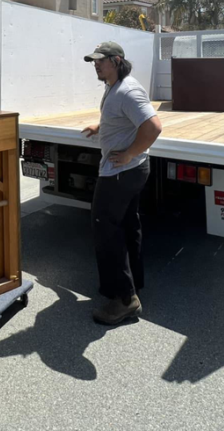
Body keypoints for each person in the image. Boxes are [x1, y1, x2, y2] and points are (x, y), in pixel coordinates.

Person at [81, 41, 162, 325]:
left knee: (105, 229)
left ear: (116, 60)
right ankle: (130, 284)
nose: (96, 64)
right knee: (127, 225)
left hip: (121, 172)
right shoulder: (115, 87)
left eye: (100, 60)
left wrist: (128, 153)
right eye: (93, 61)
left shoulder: (128, 90)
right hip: (127, 171)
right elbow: (122, 119)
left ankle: (125, 300)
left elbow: (153, 127)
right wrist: (101, 126)